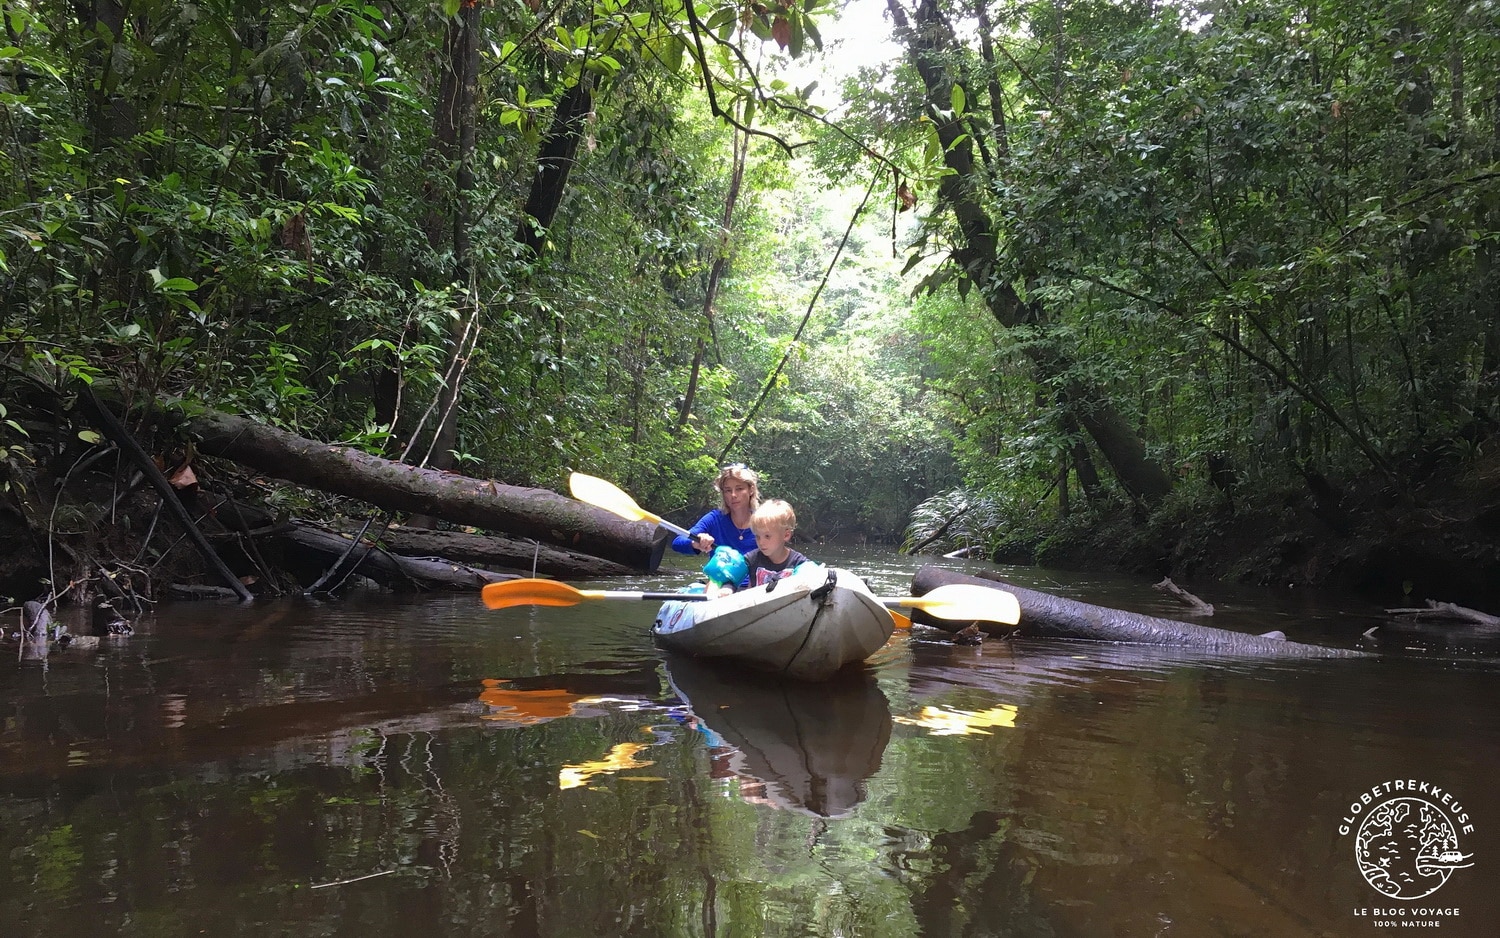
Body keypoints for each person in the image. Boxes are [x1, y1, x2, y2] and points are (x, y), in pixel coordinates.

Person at [671, 463, 761, 558]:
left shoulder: (764, 522)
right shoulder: (715, 519)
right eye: (728, 490)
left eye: (739, 489)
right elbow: (678, 542)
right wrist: (695, 542)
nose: (733, 495)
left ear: (751, 490)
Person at [743, 499, 810, 588]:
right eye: (757, 536)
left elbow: (813, 576)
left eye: (767, 536)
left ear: (786, 535)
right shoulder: (752, 559)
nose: (761, 542)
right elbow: (732, 573)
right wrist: (728, 588)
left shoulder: (797, 562)